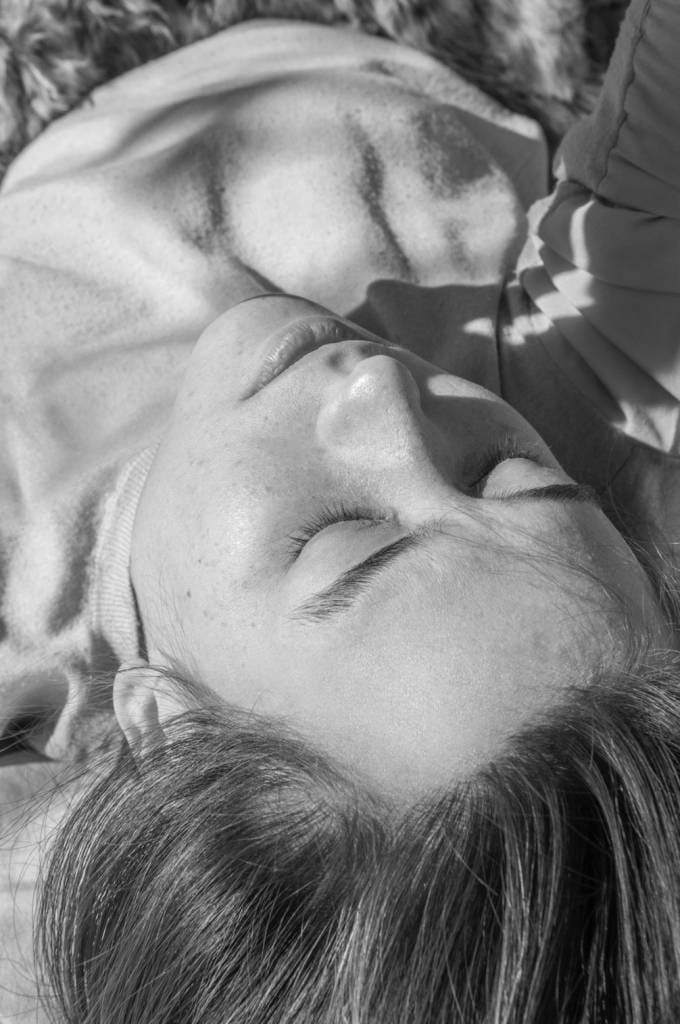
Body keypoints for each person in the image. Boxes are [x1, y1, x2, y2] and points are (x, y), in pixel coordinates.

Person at [1, 0, 680, 1018]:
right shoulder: (567, 395)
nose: (383, 399)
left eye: (343, 538)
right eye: (505, 472)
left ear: (169, 733)